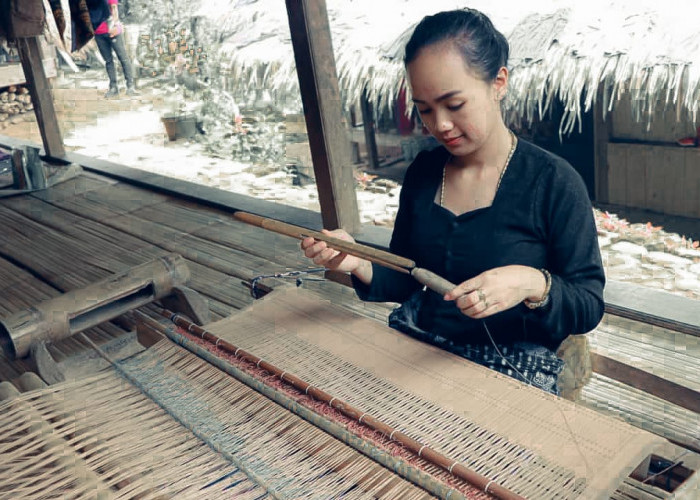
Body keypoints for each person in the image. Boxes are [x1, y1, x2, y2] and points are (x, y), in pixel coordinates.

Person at [301, 9, 605, 395]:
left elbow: (588, 303)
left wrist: (532, 283)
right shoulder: (425, 172)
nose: (439, 124)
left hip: (510, 370)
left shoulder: (554, 182)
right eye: (425, 109)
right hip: (421, 348)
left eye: (454, 104)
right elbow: (410, 275)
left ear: (498, 82)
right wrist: (358, 260)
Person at [87, 0, 136, 97]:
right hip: (98, 33)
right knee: (108, 61)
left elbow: (114, 9)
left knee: (123, 57)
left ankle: (130, 86)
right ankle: (113, 88)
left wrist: (115, 26)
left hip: (112, 31)